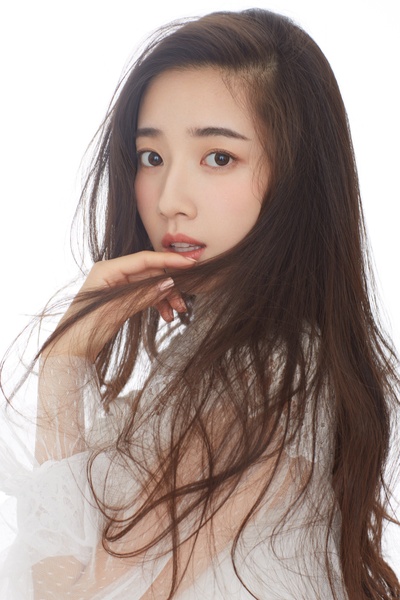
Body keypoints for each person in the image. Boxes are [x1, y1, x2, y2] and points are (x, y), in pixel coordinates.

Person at [0, 7, 399, 600]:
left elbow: (68, 595)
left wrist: (64, 364)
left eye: (218, 157)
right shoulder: (243, 359)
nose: (170, 200)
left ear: (294, 178)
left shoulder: (268, 375)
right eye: (151, 157)